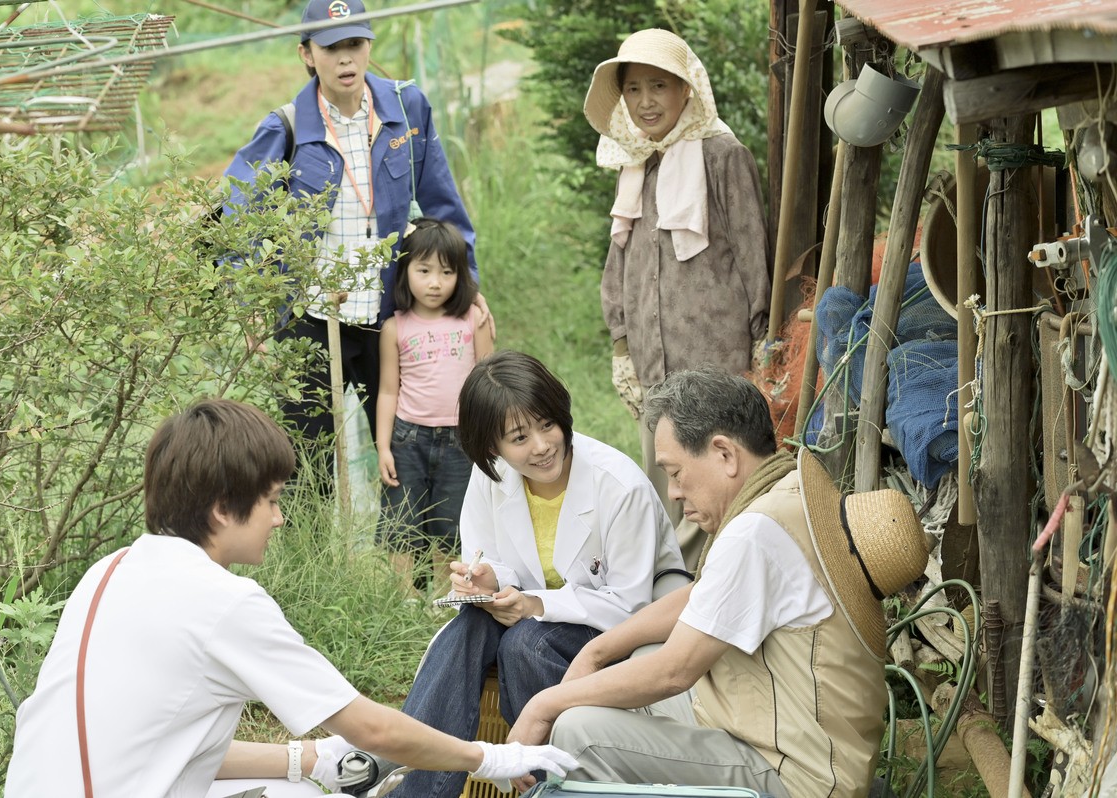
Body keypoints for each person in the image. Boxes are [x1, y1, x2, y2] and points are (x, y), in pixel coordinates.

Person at [5, 399, 576, 797]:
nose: (279, 518)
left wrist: (304, 759)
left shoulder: (110, 571)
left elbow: (162, 743)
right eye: (272, 500)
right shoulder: (223, 602)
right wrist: (492, 756)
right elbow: (371, 730)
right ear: (224, 508)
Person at [508, 368, 930, 798]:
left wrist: (545, 704)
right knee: (643, 653)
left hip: (799, 776)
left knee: (580, 730)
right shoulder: (786, 488)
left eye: (675, 472)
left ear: (725, 454)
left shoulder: (755, 533)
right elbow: (702, 594)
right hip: (797, 733)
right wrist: (597, 651)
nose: (672, 492)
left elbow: (675, 671)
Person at [389, 351, 686, 798]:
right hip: (528, 614)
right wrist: (486, 582)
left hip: (613, 626)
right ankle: (416, 788)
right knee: (470, 622)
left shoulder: (619, 485)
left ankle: (549, 786)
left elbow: (632, 603)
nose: (542, 445)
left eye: (548, 425)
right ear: (493, 447)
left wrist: (533, 605)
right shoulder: (491, 475)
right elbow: (487, 556)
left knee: (528, 643)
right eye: (519, 437)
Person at [223, 0, 492, 483]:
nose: (346, 59)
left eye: (355, 44)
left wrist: (466, 281)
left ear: (368, 46)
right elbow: (235, 216)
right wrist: (251, 308)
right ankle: (317, 555)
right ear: (307, 54)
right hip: (309, 319)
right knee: (308, 467)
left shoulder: (406, 109)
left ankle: (409, 554)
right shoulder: (284, 127)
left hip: (388, 315)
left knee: (407, 454)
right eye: (331, 48)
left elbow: (442, 204)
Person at [584, 28, 771, 569]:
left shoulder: (722, 155)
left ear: (686, 90)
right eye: (635, 89)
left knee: (718, 499)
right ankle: (676, 611)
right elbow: (619, 263)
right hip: (655, 366)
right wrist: (622, 344)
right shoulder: (636, 163)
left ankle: (702, 614)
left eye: (659, 86)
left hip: (717, 364)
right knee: (671, 493)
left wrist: (763, 342)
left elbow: (752, 252)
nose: (646, 102)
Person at [376, 217, 494, 590]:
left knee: (452, 522)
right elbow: (388, 391)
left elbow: (488, 381)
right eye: (423, 270)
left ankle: (444, 598)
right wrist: (383, 446)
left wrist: (489, 438)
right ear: (406, 271)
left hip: (463, 441)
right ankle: (402, 599)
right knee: (401, 520)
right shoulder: (395, 327)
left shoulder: (473, 319)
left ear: (460, 275)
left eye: (446, 272)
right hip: (408, 439)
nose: (434, 282)